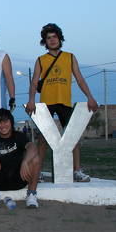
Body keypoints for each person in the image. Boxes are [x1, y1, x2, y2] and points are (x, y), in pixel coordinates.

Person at [25, 23, 99, 182]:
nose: (52, 40)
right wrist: (31, 100)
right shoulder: (41, 60)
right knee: (43, 139)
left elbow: (79, 79)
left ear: (60, 39)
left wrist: (90, 97)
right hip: (46, 103)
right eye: (48, 38)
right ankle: (37, 172)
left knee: (73, 137)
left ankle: (76, 171)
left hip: (65, 102)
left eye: (54, 37)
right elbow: (33, 82)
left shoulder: (70, 57)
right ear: (45, 42)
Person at [0, 108, 41, 208]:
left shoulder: (19, 136)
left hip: (20, 178)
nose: (3, 125)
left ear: (11, 122)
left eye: (6, 121)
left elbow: (32, 147)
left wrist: (25, 161)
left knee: (35, 159)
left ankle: (31, 195)